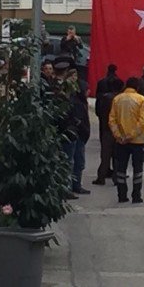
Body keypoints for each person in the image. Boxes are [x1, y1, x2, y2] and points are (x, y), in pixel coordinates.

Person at [108, 77, 144, 203]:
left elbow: (112, 120)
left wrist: (118, 135)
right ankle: (136, 196)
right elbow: (142, 120)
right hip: (137, 141)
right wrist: (131, 135)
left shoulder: (117, 99)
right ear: (138, 87)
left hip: (121, 141)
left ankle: (121, 195)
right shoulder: (141, 99)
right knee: (137, 170)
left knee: (121, 169)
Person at [54, 61, 79, 200]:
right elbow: (67, 114)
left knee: (67, 160)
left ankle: (64, 188)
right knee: (67, 161)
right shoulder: (62, 93)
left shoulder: (57, 88)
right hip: (66, 131)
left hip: (66, 130)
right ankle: (65, 189)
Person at [93, 78, 123, 185]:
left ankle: (101, 177)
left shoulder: (105, 98)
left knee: (105, 155)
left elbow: (99, 111)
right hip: (118, 130)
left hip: (106, 129)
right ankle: (116, 177)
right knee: (117, 156)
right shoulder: (121, 99)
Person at [69, 73, 91, 195]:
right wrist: (84, 131)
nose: (89, 92)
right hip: (78, 135)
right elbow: (78, 120)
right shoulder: (78, 103)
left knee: (77, 161)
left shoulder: (80, 101)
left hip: (79, 135)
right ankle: (75, 185)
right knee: (78, 161)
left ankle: (75, 184)